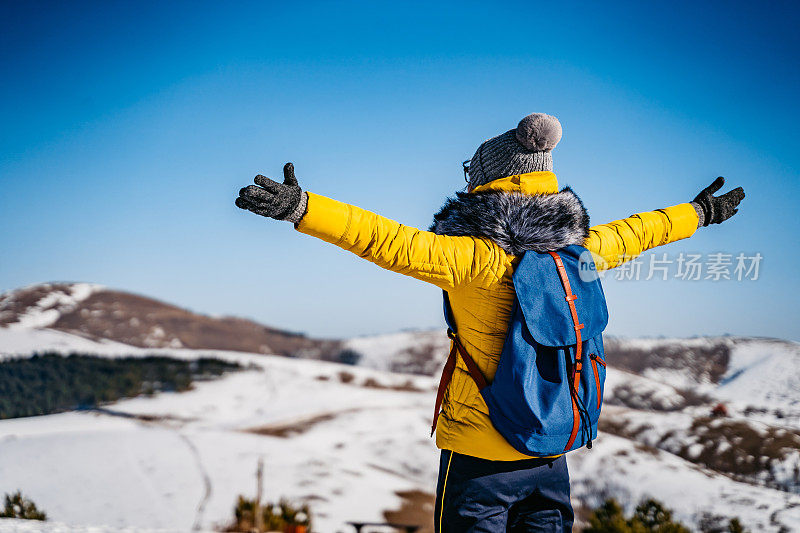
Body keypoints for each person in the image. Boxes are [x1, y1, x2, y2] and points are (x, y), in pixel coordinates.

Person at [235, 113, 745, 532]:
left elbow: (383, 238)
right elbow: (639, 232)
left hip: (480, 457)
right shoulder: (581, 251)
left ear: (485, 182)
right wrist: (700, 212)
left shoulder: (472, 257)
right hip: (551, 450)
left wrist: (302, 208)